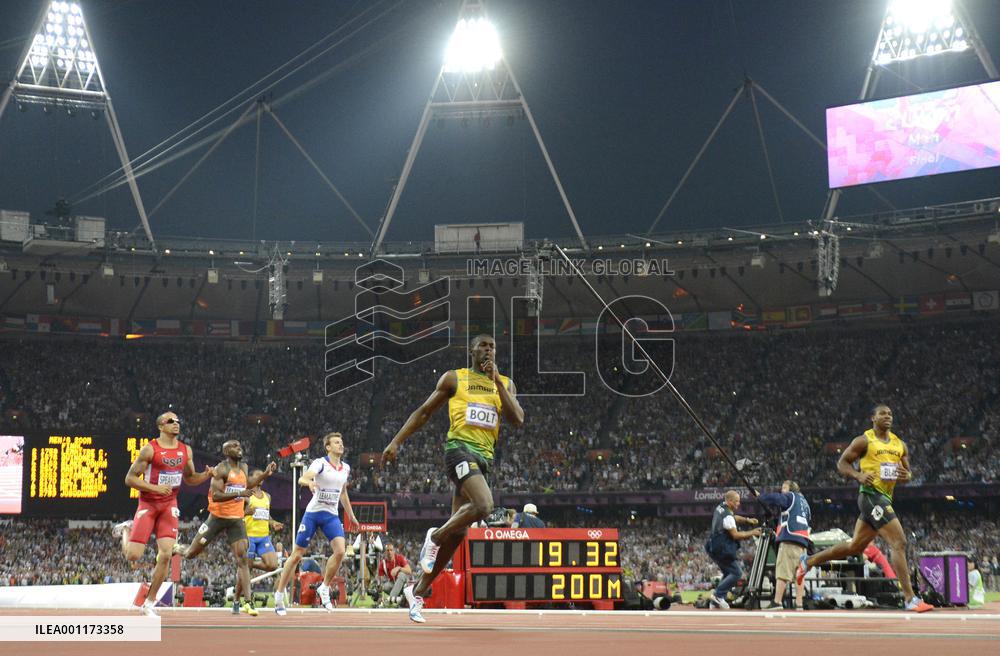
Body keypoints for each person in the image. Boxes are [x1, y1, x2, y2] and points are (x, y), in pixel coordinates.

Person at [383, 333, 524, 623]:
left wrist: (498, 382)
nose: (488, 350)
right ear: (470, 351)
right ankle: (434, 535)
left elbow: (517, 419)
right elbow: (424, 412)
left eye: (493, 346)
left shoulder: (505, 383)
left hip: (484, 459)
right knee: (485, 507)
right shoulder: (454, 379)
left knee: (458, 533)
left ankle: (417, 591)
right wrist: (397, 441)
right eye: (483, 346)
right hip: (458, 451)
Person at [796, 405, 933, 612]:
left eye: (890, 414)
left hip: (885, 497)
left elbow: (907, 472)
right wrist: (859, 475)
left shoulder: (900, 445)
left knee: (855, 548)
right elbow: (842, 463)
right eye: (882, 414)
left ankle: (809, 561)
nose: (887, 416)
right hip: (870, 497)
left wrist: (908, 476)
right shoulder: (864, 440)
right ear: (873, 418)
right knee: (899, 542)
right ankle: (909, 598)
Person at [113, 411, 214, 616]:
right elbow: (130, 478)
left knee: (166, 554)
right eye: (170, 421)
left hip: (169, 505)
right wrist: (155, 489)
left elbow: (190, 479)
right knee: (133, 556)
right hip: (148, 505)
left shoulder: (186, 451)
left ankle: (149, 603)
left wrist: (205, 475)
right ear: (160, 426)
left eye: (177, 421)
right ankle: (126, 529)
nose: (176, 424)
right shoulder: (150, 449)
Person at [173, 440, 276, 617]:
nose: (240, 448)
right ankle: (176, 548)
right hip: (217, 518)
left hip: (236, 519)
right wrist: (239, 493)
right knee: (191, 553)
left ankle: (248, 603)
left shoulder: (243, 467)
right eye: (235, 446)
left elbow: (249, 483)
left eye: (240, 445)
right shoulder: (222, 469)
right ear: (227, 451)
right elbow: (217, 495)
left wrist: (265, 474)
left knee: (243, 560)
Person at [273, 432, 358, 615]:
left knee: (341, 551)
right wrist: (310, 483)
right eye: (336, 442)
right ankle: (279, 594)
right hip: (313, 513)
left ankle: (324, 587)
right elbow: (302, 478)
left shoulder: (346, 468)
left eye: (341, 442)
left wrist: (351, 516)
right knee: (296, 556)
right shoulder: (320, 463)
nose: (340, 445)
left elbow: (343, 493)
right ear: (328, 447)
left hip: (331, 515)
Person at [758, 480, 810, 610]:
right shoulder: (805, 503)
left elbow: (776, 498)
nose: (782, 490)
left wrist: (761, 496)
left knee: (782, 571)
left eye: (784, 487)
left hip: (789, 539)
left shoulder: (790, 496)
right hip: (803, 542)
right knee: (800, 574)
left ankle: (777, 602)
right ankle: (799, 604)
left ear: (791, 489)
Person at [704, 490, 761, 609]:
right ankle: (718, 595)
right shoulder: (727, 516)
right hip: (722, 549)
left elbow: (733, 517)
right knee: (737, 573)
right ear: (729, 501)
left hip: (713, 547)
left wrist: (747, 520)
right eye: (736, 501)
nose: (738, 504)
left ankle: (716, 601)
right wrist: (753, 532)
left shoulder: (721, 507)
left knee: (728, 573)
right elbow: (736, 535)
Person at [244, 475, 284, 574]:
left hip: (263, 537)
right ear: (250, 478)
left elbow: (266, 515)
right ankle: (239, 589)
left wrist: (273, 522)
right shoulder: (246, 495)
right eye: (258, 475)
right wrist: (245, 512)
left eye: (262, 475)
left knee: (273, 565)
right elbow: (236, 514)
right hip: (249, 536)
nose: (261, 477)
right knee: (246, 571)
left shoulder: (267, 496)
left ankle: (250, 564)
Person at [377, 542, 413, 606]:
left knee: (401, 574)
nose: (389, 552)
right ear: (385, 552)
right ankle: (399, 599)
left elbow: (409, 571)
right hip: (393, 583)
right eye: (387, 550)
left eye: (391, 550)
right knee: (385, 586)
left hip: (404, 584)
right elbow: (381, 581)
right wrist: (380, 597)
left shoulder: (400, 558)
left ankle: (390, 601)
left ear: (394, 551)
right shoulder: (383, 564)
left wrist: (399, 568)